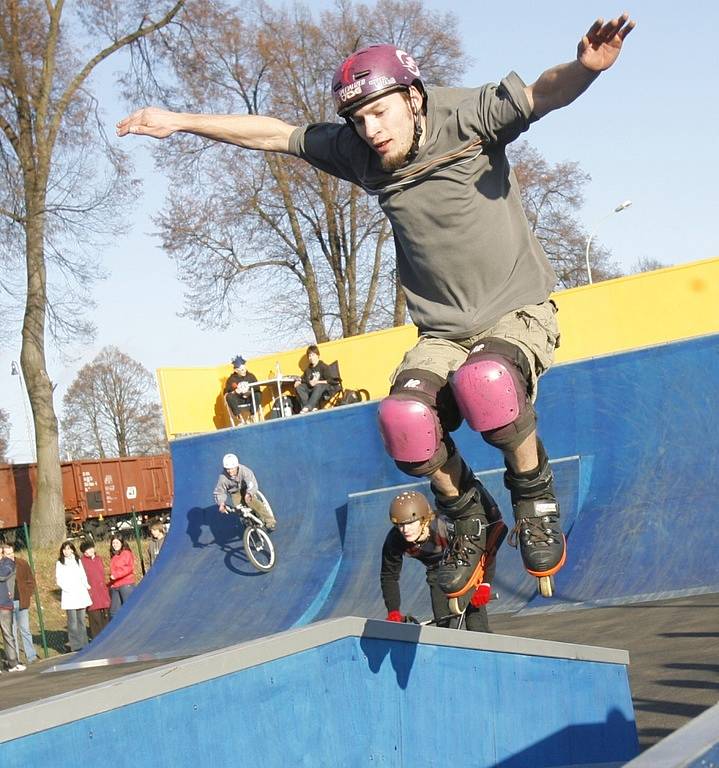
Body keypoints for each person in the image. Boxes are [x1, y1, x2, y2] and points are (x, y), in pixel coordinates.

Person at [117, 14, 635, 598]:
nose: (371, 130)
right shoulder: (358, 153)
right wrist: (179, 122)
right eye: (359, 120)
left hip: (515, 310)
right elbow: (274, 134)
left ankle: (533, 494)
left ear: (413, 98)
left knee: (487, 382)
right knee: (403, 420)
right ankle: (469, 512)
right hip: (440, 331)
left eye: (381, 113)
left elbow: (543, 93)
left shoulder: (468, 115)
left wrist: (586, 69)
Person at [381, 490, 505, 631]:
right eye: (400, 525)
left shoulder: (445, 525)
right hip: (437, 570)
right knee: (444, 627)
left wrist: (484, 584)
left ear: (424, 519)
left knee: (476, 624)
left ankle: (484, 643)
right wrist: (393, 611)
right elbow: (389, 576)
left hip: (466, 563)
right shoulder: (395, 539)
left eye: (410, 523)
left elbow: (484, 548)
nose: (405, 530)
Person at [214, 453, 276, 531]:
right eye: (227, 469)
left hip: (246, 488)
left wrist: (249, 493)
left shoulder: (244, 470)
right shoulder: (223, 478)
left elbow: (251, 482)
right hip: (235, 492)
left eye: (232, 468)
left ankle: (269, 521)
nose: (230, 471)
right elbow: (220, 492)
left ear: (237, 466)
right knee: (239, 509)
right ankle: (249, 524)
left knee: (252, 502)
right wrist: (221, 503)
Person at [2, 543, 38, 665]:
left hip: (21, 602)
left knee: (25, 630)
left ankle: (31, 656)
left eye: (11, 553)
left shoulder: (22, 563)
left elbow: (31, 580)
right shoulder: (2, 567)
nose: (10, 556)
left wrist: (27, 594)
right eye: (7, 554)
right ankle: (16, 658)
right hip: (8, 604)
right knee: (12, 632)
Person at [55, 540, 92, 652]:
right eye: (64, 549)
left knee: (81, 620)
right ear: (62, 551)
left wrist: (86, 586)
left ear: (72, 550)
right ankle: (75, 645)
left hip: (80, 594)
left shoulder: (77, 561)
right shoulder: (60, 563)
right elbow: (59, 579)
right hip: (69, 595)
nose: (67, 551)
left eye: (69, 549)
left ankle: (84, 643)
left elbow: (82, 575)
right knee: (73, 622)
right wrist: (68, 589)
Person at [80, 540, 111, 640]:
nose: (90, 551)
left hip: (102, 592)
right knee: (95, 619)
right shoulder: (82, 562)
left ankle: (107, 639)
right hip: (91, 593)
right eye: (87, 550)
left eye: (91, 548)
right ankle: (97, 640)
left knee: (105, 618)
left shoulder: (98, 559)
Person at [293, 345, 339, 413]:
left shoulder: (323, 366)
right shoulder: (308, 369)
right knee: (299, 387)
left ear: (318, 355)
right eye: (309, 356)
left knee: (318, 386)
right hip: (312, 389)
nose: (311, 358)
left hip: (324, 388)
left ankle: (308, 407)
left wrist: (318, 382)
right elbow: (303, 379)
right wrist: (298, 381)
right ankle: (310, 407)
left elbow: (331, 381)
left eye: (313, 355)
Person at [0, 550, 25, 671]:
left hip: (4, 604)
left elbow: (3, 575)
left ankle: (13, 663)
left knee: (8, 634)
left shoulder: (7, 563)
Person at [225, 355, 261, 424]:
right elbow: (228, 391)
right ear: (236, 370)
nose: (244, 371)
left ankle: (252, 416)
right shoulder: (231, 379)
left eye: (245, 368)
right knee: (229, 397)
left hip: (250, 397)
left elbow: (257, 387)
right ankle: (240, 418)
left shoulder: (251, 376)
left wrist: (249, 392)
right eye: (241, 370)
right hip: (239, 399)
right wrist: (235, 392)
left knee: (258, 394)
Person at [108, 536, 136, 618]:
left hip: (126, 584)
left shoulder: (126, 553)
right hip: (116, 585)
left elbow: (128, 567)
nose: (114, 545)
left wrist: (115, 575)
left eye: (117, 542)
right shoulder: (114, 556)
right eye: (113, 543)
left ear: (121, 543)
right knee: (114, 611)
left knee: (129, 608)